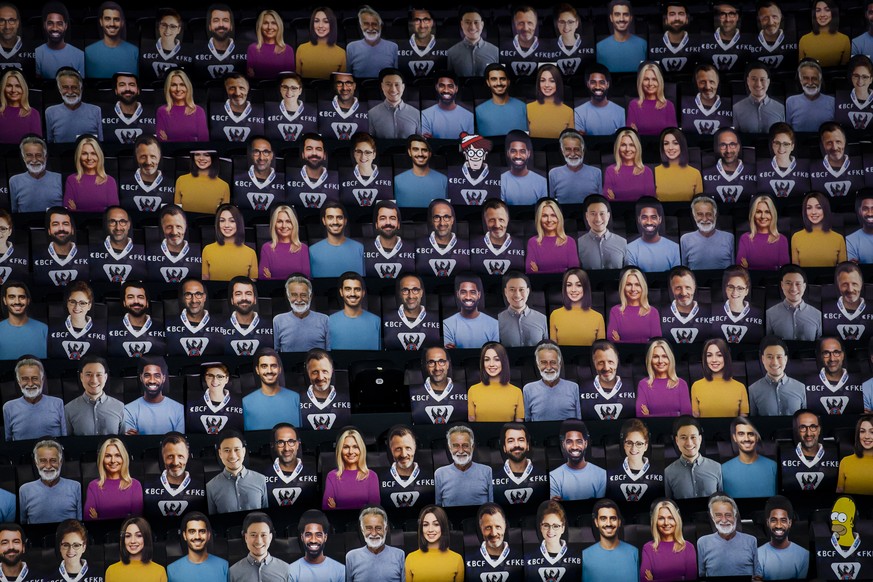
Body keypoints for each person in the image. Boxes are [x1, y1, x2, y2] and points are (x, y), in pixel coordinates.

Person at [142, 432, 207, 521]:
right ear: (162, 457)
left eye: (180, 456)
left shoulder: (205, 487)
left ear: (188, 456)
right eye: (170, 456)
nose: (175, 462)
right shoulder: (144, 487)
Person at [19, 439, 82, 524]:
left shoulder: (76, 487)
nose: (48, 466)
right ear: (36, 463)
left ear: (60, 462)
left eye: (53, 460)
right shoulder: (24, 490)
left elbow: (81, 524)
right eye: (43, 461)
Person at [207, 429, 267, 514]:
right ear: (220, 453)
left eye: (237, 449)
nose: (232, 456)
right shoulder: (210, 487)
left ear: (244, 451)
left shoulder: (261, 480)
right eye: (227, 450)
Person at [697, 494, 759, 577]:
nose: (724, 520)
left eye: (728, 515)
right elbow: (702, 575)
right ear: (712, 518)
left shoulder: (751, 541)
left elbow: (758, 575)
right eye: (718, 515)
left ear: (735, 516)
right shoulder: (703, 542)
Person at [3, 356, 65, 440]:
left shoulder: (58, 403)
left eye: (35, 378)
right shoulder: (8, 407)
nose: (30, 384)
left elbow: (65, 439)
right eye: (25, 379)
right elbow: (8, 443)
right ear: (18, 382)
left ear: (42, 380)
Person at [780, 408, 839, 494]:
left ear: (819, 430)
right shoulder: (782, 455)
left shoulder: (836, 454)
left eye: (813, 427)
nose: (808, 433)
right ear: (796, 430)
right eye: (803, 427)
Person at [83, 438, 143, 521]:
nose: (113, 460)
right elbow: (88, 519)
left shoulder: (135, 485)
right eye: (108, 456)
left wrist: (99, 519)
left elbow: (136, 521)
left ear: (124, 458)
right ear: (102, 459)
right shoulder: (93, 486)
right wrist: (126, 517)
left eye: (118, 455)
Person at [241, 347, 301, 431]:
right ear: (257, 370)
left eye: (273, 366)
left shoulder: (296, 398)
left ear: (280, 369)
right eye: (264, 366)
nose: (269, 371)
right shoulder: (246, 402)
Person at [664, 416, 723, 499]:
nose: (689, 443)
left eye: (693, 437)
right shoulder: (668, 473)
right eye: (683, 438)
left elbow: (724, 501)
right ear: (677, 440)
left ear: (700, 439)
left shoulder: (717, 467)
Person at [48, 280, 107, 361]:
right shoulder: (51, 329)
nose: (77, 307)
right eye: (73, 302)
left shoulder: (103, 331)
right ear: (67, 303)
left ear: (89, 306)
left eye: (82, 303)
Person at [434, 425, 493, 506]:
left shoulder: (487, 471)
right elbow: (438, 509)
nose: (461, 451)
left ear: (472, 447)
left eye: (465, 445)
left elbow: (493, 508)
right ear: (449, 448)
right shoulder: (439, 474)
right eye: (456, 446)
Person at [123, 357, 184, 436]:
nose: (152, 380)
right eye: (147, 375)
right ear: (141, 378)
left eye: (157, 376)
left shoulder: (179, 409)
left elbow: (178, 443)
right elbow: (133, 442)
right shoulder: (128, 410)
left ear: (164, 378)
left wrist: (140, 436)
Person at [323, 427, 379, 511]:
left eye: (355, 447)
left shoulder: (371, 476)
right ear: (340, 450)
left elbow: (375, 511)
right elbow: (327, 508)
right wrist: (363, 507)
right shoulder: (332, 476)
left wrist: (337, 508)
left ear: (361, 450)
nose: (350, 451)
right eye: (346, 447)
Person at [379, 425, 435, 510]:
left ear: (415, 448)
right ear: (391, 450)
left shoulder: (432, 478)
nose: (404, 454)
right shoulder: (379, 480)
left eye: (408, 448)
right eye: (398, 449)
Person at [493, 422, 549, 506]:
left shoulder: (546, 476)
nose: (516, 445)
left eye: (521, 440)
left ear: (528, 445)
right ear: (504, 447)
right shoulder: (492, 479)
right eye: (510, 441)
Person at [525, 500, 583, 581]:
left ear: (563, 528)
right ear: (541, 527)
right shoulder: (527, 559)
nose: (550, 531)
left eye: (555, 526)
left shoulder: (578, 558)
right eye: (546, 525)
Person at [748, 336, 807, 415]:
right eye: (769, 357)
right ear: (763, 359)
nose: (775, 362)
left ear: (785, 359)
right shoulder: (752, 390)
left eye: (779, 357)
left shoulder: (801, 388)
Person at [640, 499, 697, 582]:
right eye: (661, 518)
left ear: (677, 520)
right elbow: (644, 580)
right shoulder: (648, 548)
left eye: (671, 518)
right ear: (655, 521)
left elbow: (691, 579)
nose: (666, 523)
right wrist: (681, 578)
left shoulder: (688, 547)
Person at [165, 278, 225, 357]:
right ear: (182, 298)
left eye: (198, 294)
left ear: (204, 297)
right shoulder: (167, 323)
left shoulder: (223, 324)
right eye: (188, 295)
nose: (194, 300)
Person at [65, 356, 124, 436]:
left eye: (99, 375)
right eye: (88, 374)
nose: (94, 380)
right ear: (81, 377)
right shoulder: (69, 409)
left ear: (105, 377)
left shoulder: (120, 407)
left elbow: (123, 443)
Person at [582, 499, 639, 580]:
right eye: (603, 518)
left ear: (619, 522)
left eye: (613, 518)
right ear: (596, 522)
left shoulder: (634, 553)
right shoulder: (584, 556)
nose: (608, 523)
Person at [33, 207, 90, 288]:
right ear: (49, 231)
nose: (61, 228)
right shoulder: (36, 255)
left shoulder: (87, 253)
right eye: (55, 224)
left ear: (72, 229)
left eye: (65, 224)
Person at [549, 419, 606, 500]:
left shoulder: (602, 475)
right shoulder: (554, 476)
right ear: (563, 444)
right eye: (569, 442)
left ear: (585, 443)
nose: (574, 447)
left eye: (579, 442)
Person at [807, 336, 864, 417]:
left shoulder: (862, 382)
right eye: (826, 353)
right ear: (820, 356)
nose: (832, 359)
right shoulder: (806, 383)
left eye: (836, 352)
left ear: (843, 355)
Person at [383, 275, 443, 352]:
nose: (411, 296)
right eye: (405, 290)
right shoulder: (385, 318)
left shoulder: (438, 318)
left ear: (421, 293)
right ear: (399, 294)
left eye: (415, 290)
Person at [523, 341, 581, 421]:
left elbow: (579, 421)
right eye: (543, 363)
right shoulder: (528, 389)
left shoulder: (574, 387)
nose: (549, 367)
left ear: (559, 364)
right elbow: (527, 421)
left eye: (553, 362)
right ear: (537, 365)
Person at [345, 506, 405, 582]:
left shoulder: (399, 555)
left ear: (385, 529)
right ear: (362, 530)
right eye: (369, 528)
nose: (374, 533)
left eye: (378, 528)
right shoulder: (351, 557)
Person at [466, 503, 524, 582]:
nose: (493, 533)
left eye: (498, 527)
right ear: (481, 529)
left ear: (505, 526)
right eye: (488, 527)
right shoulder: (467, 560)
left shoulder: (522, 557)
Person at [721, 416, 778, 498]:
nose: (746, 438)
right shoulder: (723, 469)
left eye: (751, 434)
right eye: (741, 434)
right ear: (735, 438)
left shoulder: (773, 467)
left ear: (757, 437)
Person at [579, 340, 635, 421]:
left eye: (610, 362)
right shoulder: (582, 388)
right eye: (601, 363)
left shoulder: (633, 385)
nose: (606, 368)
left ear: (617, 361)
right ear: (594, 363)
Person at [409, 347, 467, 424]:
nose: (437, 368)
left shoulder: (467, 390)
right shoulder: (412, 392)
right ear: (426, 366)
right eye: (431, 362)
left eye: (441, 361)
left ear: (447, 364)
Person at [691, 338, 749, 417]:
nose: (714, 360)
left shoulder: (740, 387)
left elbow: (743, 422)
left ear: (726, 357)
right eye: (709, 355)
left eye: (719, 355)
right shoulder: (696, 386)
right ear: (705, 358)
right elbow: (695, 420)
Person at [405, 505, 464, 582]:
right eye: (425, 525)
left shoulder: (457, 559)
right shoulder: (410, 558)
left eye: (436, 524)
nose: (430, 530)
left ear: (443, 527)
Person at [467, 342, 523, 422]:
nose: (491, 364)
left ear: (504, 362)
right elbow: (472, 422)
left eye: (497, 359)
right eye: (487, 360)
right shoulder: (473, 390)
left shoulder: (517, 392)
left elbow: (519, 425)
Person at [267, 423, 318, 510]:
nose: (286, 448)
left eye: (291, 442)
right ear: (273, 445)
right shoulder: (260, 477)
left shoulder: (316, 474)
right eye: (280, 442)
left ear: (298, 444)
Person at [757, 495, 809, 580]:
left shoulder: (804, 556)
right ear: (767, 522)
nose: (778, 525)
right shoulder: (758, 555)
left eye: (783, 520)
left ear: (790, 523)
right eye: (773, 520)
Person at [636, 339, 692, 417]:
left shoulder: (681, 384)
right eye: (655, 357)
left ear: (670, 359)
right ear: (650, 360)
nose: (660, 361)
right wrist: (676, 414)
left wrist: (651, 416)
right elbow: (641, 416)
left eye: (664, 356)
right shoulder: (643, 384)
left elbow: (686, 417)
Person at [766, 264, 822, 341]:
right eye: (788, 283)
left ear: (804, 286)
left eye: (798, 284)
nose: (793, 288)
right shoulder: (769, 314)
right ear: (782, 285)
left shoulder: (818, 315)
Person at [549, 268, 605, 346]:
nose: (573, 290)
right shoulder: (555, 315)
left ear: (585, 288)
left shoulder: (598, 317)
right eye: (569, 285)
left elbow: (600, 351)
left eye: (579, 285)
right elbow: (553, 351)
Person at [273, 275, 329, 352]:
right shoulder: (278, 320)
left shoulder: (324, 320)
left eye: (303, 295)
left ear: (310, 296)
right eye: (294, 295)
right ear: (288, 297)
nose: (299, 300)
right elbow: (275, 353)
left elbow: (329, 352)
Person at [415, 199, 471, 277]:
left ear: (452, 220)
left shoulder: (468, 245)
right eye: (437, 217)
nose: (442, 223)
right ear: (431, 220)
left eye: (446, 217)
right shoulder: (416, 244)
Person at [201, 204, 257, 281]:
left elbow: (252, 285)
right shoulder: (207, 250)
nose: (226, 225)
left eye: (232, 221)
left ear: (239, 223)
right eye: (222, 220)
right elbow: (205, 281)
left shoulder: (251, 253)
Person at [167, 512, 228, 582]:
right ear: (184, 535)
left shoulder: (224, 566)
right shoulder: (171, 570)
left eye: (202, 531)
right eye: (192, 531)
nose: (197, 537)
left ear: (208, 535)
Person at [300, 349, 352, 431]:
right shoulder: (296, 401)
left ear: (331, 371)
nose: (320, 377)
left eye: (325, 371)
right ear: (307, 373)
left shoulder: (349, 398)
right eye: (315, 372)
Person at [45, 68, 102, 143]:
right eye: (65, 87)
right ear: (59, 90)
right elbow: (49, 143)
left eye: (74, 87)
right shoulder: (50, 112)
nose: (70, 92)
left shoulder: (96, 111)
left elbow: (101, 143)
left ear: (81, 89)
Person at [309, 202, 364, 278]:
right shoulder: (311, 251)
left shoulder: (360, 248)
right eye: (330, 217)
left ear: (345, 221)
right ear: (324, 221)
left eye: (339, 217)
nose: (335, 222)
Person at [63, 136, 118, 212]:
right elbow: (68, 211)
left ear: (99, 156)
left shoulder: (110, 181)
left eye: (93, 153)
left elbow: (113, 212)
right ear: (79, 156)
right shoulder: (72, 180)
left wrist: (78, 210)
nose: (89, 158)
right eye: (84, 153)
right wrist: (103, 209)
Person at [229, 512, 289, 582]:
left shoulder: (286, 569)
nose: (259, 541)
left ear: (270, 537)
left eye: (263, 535)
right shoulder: (232, 573)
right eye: (253, 535)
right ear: (246, 537)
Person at [811, 121, 866, 198]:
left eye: (838, 142)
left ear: (845, 142)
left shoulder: (861, 163)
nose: (835, 147)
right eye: (829, 143)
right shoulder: (811, 167)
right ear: (822, 145)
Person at [327, 273, 381, 350]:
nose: (352, 294)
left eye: (357, 289)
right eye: (348, 289)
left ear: (363, 293)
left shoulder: (377, 321)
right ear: (341, 292)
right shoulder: (328, 321)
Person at [792, 192, 847, 268]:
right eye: (809, 208)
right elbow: (795, 272)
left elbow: (843, 271)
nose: (813, 212)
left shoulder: (839, 238)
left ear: (825, 210)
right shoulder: (796, 237)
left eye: (818, 207)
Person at [186, 362, 243, 435]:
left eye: (220, 376)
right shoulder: (190, 405)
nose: (215, 380)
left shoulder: (241, 405)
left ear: (227, 379)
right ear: (205, 378)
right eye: (210, 375)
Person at [117, 135, 170, 212]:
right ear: (136, 158)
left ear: (159, 157)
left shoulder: (174, 184)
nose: (148, 162)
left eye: (153, 156)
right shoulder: (119, 184)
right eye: (143, 157)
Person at [756, 122, 810, 199]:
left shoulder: (806, 166)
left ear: (792, 146)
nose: (781, 148)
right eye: (777, 143)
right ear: (772, 145)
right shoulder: (759, 167)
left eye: (786, 144)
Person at [607, 267, 661, 343]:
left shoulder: (653, 312)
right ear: (623, 287)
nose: (633, 289)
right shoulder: (615, 311)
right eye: (629, 284)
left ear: (643, 287)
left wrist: (621, 341)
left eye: (637, 284)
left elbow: (656, 342)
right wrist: (645, 341)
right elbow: (611, 340)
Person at [288, 510, 344, 582]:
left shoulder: (340, 570)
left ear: (325, 537)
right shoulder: (291, 570)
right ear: (302, 537)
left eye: (318, 535)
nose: (313, 540)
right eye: (308, 535)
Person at [703, 127, 756, 204]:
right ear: (717, 148)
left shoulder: (755, 172)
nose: (728, 150)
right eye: (723, 145)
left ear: (738, 147)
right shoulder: (703, 174)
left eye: (732, 144)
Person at [232, 136, 284, 213]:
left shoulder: (284, 180)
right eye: (256, 152)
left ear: (272, 155)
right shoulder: (235, 179)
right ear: (250, 154)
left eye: (266, 152)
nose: (261, 158)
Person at [9, 136, 62, 213]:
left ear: (45, 157)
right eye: (29, 155)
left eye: (38, 155)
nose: (34, 160)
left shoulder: (60, 179)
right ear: (24, 158)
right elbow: (13, 212)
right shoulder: (14, 181)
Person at [192, 4, 245, 80]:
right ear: (209, 26)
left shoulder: (246, 51)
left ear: (231, 26)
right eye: (216, 20)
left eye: (225, 20)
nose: (221, 24)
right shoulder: (195, 51)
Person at [363, 201, 415, 279]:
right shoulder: (362, 248)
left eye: (392, 218)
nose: (388, 223)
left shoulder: (413, 247)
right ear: (376, 224)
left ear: (398, 224)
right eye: (383, 218)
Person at [85, 2, 137, 78]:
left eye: (116, 19)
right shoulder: (88, 52)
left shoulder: (135, 52)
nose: (112, 24)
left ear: (122, 22)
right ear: (101, 22)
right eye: (107, 19)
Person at [525, 200, 579, 274]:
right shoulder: (533, 242)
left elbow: (574, 272)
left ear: (558, 218)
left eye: (553, 215)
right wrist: (563, 270)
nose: (549, 220)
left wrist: (539, 272)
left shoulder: (570, 241)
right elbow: (530, 272)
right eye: (544, 216)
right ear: (539, 219)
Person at [340, 133, 392, 208]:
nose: (363, 156)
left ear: (374, 155)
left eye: (367, 152)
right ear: (354, 154)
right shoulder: (343, 177)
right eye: (359, 152)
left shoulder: (388, 176)